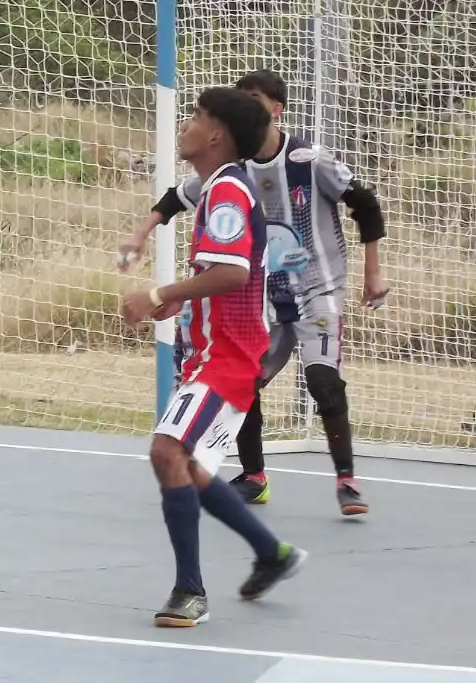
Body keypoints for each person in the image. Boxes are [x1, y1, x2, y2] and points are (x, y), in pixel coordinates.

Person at [119, 69, 389, 516]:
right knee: (245, 383)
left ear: (275, 109)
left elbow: (367, 204)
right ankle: (255, 476)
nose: (241, 105)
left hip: (317, 289)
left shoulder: (308, 160)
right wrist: (139, 234)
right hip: (263, 295)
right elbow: (174, 199)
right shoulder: (229, 171)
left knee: (322, 379)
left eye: (252, 98)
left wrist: (372, 273)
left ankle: (347, 482)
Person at [121, 86, 307, 629]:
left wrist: (157, 294)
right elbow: (219, 276)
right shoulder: (219, 188)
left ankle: (189, 592)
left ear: (217, 135)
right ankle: (273, 555)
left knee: (165, 452)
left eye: (197, 116)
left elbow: (234, 273)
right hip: (214, 352)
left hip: (225, 355)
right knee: (190, 469)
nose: (186, 123)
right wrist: (178, 298)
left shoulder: (227, 193)